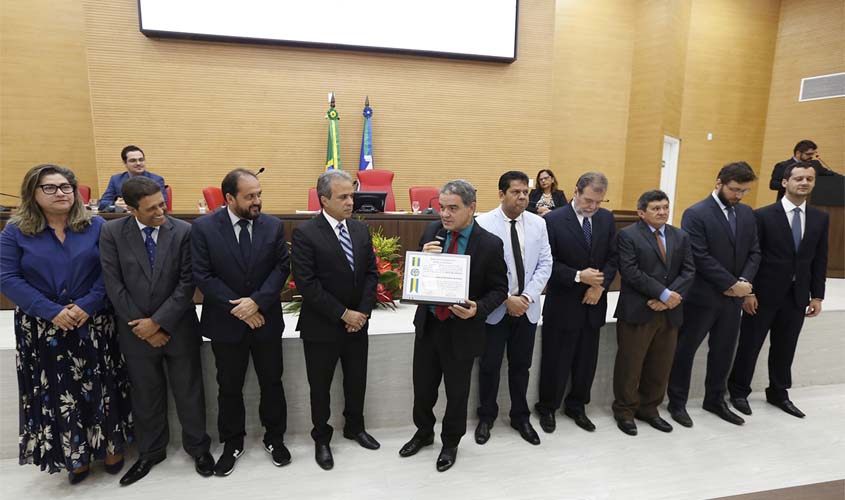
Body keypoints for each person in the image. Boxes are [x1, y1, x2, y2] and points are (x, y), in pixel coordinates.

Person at [0, 164, 133, 484]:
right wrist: (51, 311)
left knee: (102, 385)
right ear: (33, 192)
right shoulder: (15, 230)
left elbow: (110, 272)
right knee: (59, 391)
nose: (60, 193)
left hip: (95, 322)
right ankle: (74, 456)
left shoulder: (96, 226)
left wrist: (87, 305)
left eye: (66, 187)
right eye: (50, 187)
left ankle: (111, 447)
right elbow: (7, 277)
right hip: (43, 328)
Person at [99, 176, 214, 485]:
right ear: (132, 209)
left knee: (189, 391)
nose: (161, 212)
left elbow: (187, 283)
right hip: (135, 331)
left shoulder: (184, 231)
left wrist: (158, 322)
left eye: (162, 204)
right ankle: (151, 452)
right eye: (151, 208)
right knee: (146, 394)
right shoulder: (111, 232)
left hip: (179, 328)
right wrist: (143, 326)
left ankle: (198, 448)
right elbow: (113, 283)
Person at [398, 180, 508, 472]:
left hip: (462, 329)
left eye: (452, 208)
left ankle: (450, 443)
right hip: (430, 325)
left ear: (472, 208)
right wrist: (423, 259)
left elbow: (499, 290)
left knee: (457, 393)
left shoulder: (489, 243)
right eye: (441, 207)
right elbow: (415, 279)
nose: (444, 214)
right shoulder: (432, 231)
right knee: (422, 388)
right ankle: (423, 433)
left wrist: (478, 309)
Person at [191, 168, 290, 476]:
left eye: (259, 194)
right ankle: (232, 443)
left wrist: (256, 302)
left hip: (266, 320)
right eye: (250, 196)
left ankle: (275, 438)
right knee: (229, 387)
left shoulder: (272, 226)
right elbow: (203, 275)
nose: (257, 201)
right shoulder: (204, 228)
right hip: (226, 323)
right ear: (230, 198)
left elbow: (281, 267)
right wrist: (241, 308)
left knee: (272, 383)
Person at [291, 170, 380, 470]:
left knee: (357, 380)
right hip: (322, 326)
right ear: (324, 199)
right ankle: (322, 437)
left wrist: (362, 313)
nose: (350, 201)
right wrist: (344, 314)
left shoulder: (359, 230)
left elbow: (371, 274)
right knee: (321, 386)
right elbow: (307, 284)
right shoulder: (305, 234)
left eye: (352, 195)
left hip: (358, 323)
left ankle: (355, 427)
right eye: (343, 197)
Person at [729, 162, 829, 418]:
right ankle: (739, 391)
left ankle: (779, 392)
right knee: (750, 345)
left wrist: (817, 295)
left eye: (809, 179)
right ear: (785, 182)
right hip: (762, 294)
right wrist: (748, 292)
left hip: (797, 296)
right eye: (798, 178)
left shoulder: (820, 218)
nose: (804, 183)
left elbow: (820, 258)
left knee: (786, 347)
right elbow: (752, 256)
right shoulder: (761, 215)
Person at [667, 162, 761, 428]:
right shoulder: (696, 213)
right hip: (702, 297)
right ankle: (677, 402)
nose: (739, 196)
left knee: (723, 351)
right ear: (719, 182)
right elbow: (699, 255)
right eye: (734, 189)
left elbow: (755, 251)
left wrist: (743, 282)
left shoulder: (746, 213)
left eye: (743, 191)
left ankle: (715, 399)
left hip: (733, 299)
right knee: (685, 350)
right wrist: (731, 284)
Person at [535, 172, 617, 433]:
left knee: (586, 361)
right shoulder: (554, 220)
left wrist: (599, 286)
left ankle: (577, 405)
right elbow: (547, 264)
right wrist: (580, 277)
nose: (593, 206)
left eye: (598, 202)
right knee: (556, 360)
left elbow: (613, 258)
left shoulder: (606, 218)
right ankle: (548, 407)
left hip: (594, 304)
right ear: (576, 191)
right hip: (563, 303)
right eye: (589, 200)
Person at [474, 171, 552, 446]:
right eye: (516, 192)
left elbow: (545, 264)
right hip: (496, 310)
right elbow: (479, 272)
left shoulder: (538, 224)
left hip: (527, 309)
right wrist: (507, 299)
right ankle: (486, 417)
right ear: (501, 194)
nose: (522, 197)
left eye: (525, 193)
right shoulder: (482, 223)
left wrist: (527, 297)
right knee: (489, 366)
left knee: (521, 366)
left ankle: (521, 417)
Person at [612, 190, 695, 436]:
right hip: (638, 310)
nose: (662, 212)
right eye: (655, 208)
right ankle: (625, 411)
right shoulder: (627, 235)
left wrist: (669, 299)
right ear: (641, 213)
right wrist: (663, 294)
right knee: (630, 365)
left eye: (665, 207)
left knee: (661, 365)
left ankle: (649, 409)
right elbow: (630, 271)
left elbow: (689, 271)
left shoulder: (680, 236)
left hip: (669, 312)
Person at [98, 145, 167, 211]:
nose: (138, 163)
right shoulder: (116, 180)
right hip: (123, 218)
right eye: (133, 161)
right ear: (125, 163)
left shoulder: (156, 179)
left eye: (141, 160)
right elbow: (102, 203)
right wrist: (115, 204)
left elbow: (163, 203)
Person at [769, 140, 837, 200]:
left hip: (811, 203)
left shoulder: (815, 164)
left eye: (812, 154)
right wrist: (793, 185)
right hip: (788, 202)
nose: (811, 157)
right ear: (798, 153)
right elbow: (773, 185)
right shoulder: (783, 166)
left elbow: (830, 174)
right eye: (808, 154)